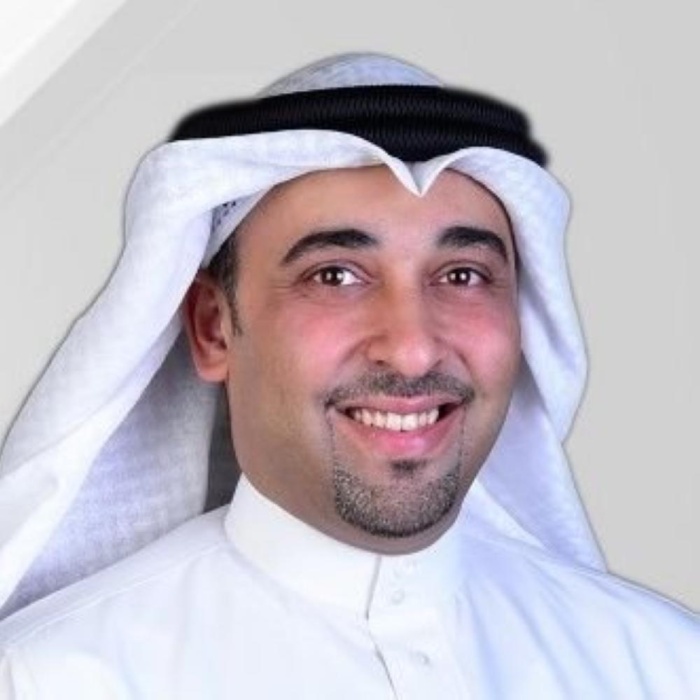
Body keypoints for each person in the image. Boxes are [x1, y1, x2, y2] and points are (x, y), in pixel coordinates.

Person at [0, 53, 697, 698]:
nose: (413, 350)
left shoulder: (664, 663)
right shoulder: (48, 680)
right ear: (213, 328)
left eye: (462, 275)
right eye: (334, 275)